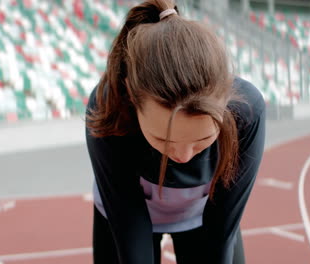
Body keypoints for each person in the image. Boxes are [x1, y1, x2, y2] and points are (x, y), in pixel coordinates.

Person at [85, 0, 265, 263]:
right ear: (132, 99)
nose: (182, 155)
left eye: (202, 140)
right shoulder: (108, 107)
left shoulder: (247, 114)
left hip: (202, 214)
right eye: (163, 139)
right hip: (126, 210)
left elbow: (221, 230)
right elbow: (128, 224)